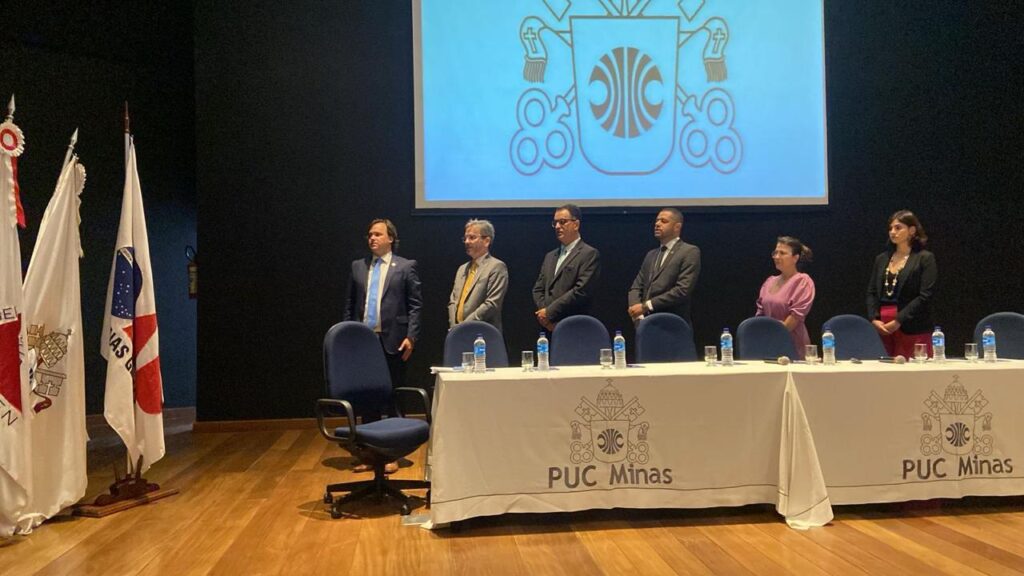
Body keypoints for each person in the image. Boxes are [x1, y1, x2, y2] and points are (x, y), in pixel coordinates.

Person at [343, 218, 421, 405]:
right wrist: (347, 334)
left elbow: (415, 305)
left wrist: (411, 337)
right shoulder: (358, 266)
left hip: (395, 340)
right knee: (367, 394)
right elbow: (349, 303)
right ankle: (369, 431)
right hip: (363, 340)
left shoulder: (405, 266)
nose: (372, 238)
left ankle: (397, 430)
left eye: (378, 234)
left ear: (391, 238)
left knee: (395, 395)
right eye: (370, 235)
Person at [866, 210, 937, 358]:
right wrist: (874, 319)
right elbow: (872, 292)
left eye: (898, 228)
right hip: (883, 325)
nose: (893, 232)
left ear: (911, 230)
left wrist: (898, 320)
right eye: (890, 228)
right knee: (886, 372)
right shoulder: (882, 259)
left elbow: (925, 295)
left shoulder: (924, 258)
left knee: (914, 373)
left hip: (912, 322)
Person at [532, 204, 601, 331]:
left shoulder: (589, 254)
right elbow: (538, 289)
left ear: (576, 225)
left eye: (562, 222)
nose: (558, 226)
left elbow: (581, 291)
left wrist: (550, 311)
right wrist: (545, 316)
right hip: (547, 327)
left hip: (574, 326)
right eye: (555, 223)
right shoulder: (550, 256)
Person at [627, 208, 701, 326]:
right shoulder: (651, 255)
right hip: (646, 324)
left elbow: (682, 290)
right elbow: (636, 287)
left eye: (664, 221)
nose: (657, 224)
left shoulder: (689, 251)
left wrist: (646, 306)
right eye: (657, 221)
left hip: (673, 324)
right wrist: (636, 311)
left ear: (677, 227)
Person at [755, 236, 816, 359]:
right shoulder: (769, 281)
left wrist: (771, 337)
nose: (776, 256)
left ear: (795, 258)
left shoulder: (803, 281)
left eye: (782, 253)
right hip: (767, 345)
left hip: (791, 346)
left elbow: (794, 319)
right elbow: (760, 315)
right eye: (775, 252)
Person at [448, 219, 508, 331]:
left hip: (483, 334)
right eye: (465, 238)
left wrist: (465, 326)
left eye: (472, 237)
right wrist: (454, 327)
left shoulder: (496, 266)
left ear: (486, 241)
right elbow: (453, 301)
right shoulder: (462, 269)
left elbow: (492, 304)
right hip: (458, 334)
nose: (466, 242)